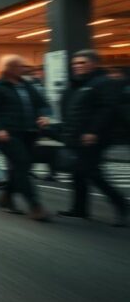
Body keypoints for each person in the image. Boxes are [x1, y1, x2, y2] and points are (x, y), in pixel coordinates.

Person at [57, 50, 127, 226]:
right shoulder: (78, 84)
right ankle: (79, 209)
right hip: (77, 136)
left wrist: (93, 131)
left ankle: (122, 205)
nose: (77, 66)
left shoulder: (103, 83)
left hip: (95, 137)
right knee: (78, 173)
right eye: (75, 63)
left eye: (82, 63)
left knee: (92, 173)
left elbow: (107, 109)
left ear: (94, 64)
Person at [0, 55, 51, 221]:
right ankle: (34, 205)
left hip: (29, 133)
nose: (24, 69)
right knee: (22, 163)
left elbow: (42, 103)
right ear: (9, 68)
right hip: (8, 134)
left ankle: (6, 196)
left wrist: (43, 115)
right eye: (20, 66)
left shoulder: (27, 85)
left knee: (21, 167)